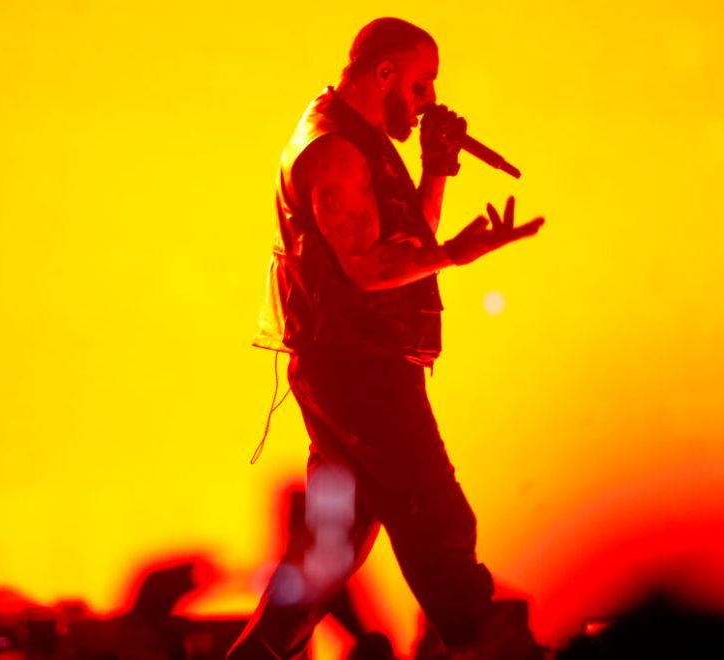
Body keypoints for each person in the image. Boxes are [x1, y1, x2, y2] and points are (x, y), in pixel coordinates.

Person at [232, 17, 545, 660]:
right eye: (422, 83)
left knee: (330, 549)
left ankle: (259, 653)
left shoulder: (364, 142)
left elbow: (405, 247)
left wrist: (436, 172)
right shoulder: (335, 151)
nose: (428, 99)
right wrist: (458, 255)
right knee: (436, 515)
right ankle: (477, 642)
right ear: (385, 75)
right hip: (359, 372)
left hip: (350, 368)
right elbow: (368, 267)